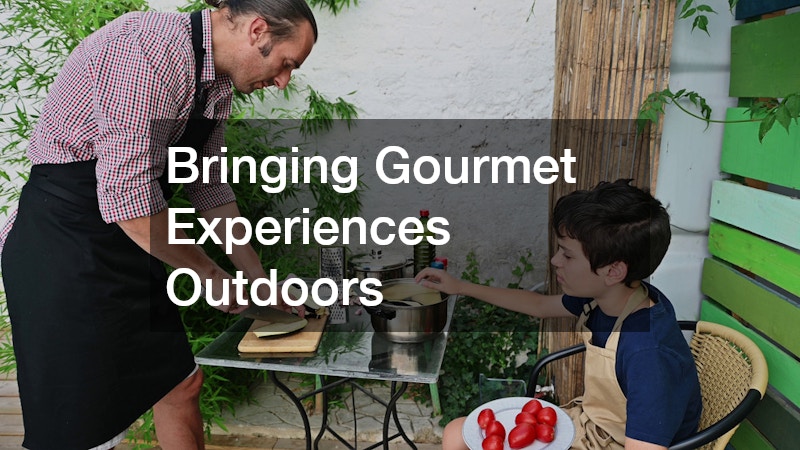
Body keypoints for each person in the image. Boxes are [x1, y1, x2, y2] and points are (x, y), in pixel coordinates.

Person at [0, 0, 317, 448]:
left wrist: (258, 281)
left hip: (131, 240)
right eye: (287, 64)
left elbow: (208, 184)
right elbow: (126, 195)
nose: (283, 81)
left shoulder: (217, 84)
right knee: (80, 430)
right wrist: (210, 275)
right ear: (258, 31)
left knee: (180, 384)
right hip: (65, 246)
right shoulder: (147, 51)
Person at [416, 179, 702, 450]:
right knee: (456, 432)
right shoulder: (607, 296)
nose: (555, 261)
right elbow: (538, 306)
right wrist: (460, 287)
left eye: (567, 255)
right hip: (593, 427)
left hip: (619, 442)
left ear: (613, 271)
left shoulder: (648, 354)